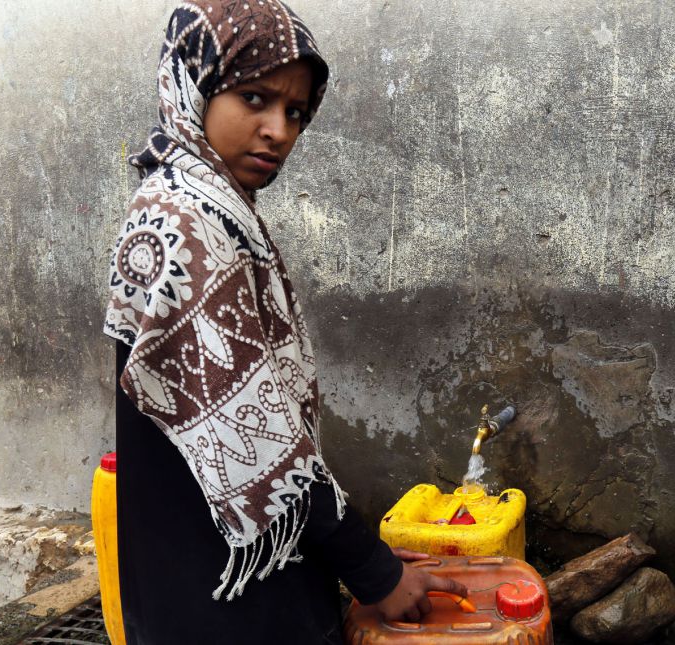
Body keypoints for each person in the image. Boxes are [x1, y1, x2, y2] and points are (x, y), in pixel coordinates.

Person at [102, 1, 466, 643]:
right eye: (254, 97)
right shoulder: (181, 224)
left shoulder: (208, 205)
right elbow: (258, 441)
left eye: (296, 112)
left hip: (219, 585)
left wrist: (355, 565)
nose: (279, 130)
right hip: (222, 603)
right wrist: (373, 571)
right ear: (194, 84)